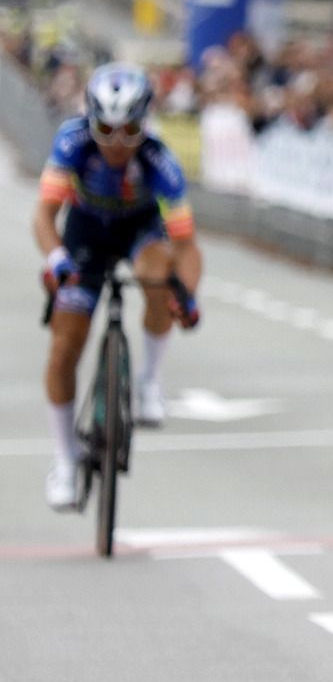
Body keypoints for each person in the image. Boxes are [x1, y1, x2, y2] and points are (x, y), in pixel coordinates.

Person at [36, 66, 202, 509]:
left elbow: (186, 245)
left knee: (158, 271)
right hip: (85, 233)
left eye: (128, 129)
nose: (116, 142)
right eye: (105, 129)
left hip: (138, 231)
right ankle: (66, 461)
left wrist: (187, 295)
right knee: (64, 345)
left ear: (144, 122)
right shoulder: (71, 143)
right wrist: (56, 260)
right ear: (89, 120)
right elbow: (44, 217)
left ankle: (149, 381)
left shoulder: (159, 160)